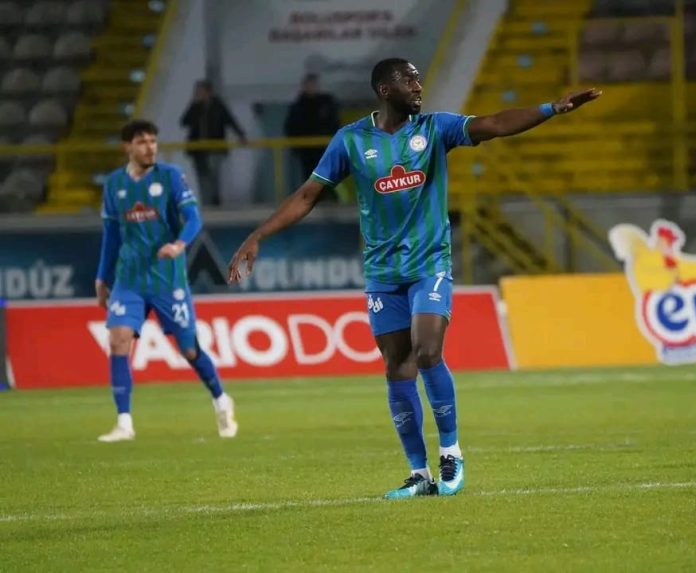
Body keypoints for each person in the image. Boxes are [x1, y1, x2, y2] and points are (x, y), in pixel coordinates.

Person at [227, 57, 600, 498]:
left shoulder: (435, 129)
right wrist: (257, 235)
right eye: (410, 80)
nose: (419, 86)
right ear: (386, 90)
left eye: (419, 78)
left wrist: (549, 110)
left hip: (429, 264)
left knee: (427, 351)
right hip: (383, 274)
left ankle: (452, 452)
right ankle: (419, 475)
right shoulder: (350, 141)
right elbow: (308, 195)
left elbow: (495, 123)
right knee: (396, 365)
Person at [95, 119, 238, 442]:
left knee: (189, 350)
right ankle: (124, 422)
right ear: (127, 147)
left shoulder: (170, 177)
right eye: (142, 142)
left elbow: (194, 218)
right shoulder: (114, 184)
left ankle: (220, 398)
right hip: (128, 279)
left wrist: (178, 245)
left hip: (167, 280)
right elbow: (111, 235)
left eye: (153, 141)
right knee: (118, 340)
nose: (150, 147)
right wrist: (102, 278)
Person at [180, 80, 247, 207]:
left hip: (215, 147)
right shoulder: (195, 107)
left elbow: (230, 120)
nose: (198, 94)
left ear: (208, 92)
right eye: (197, 92)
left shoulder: (218, 106)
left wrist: (241, 135)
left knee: (213, 175)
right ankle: (207, 203)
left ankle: (215, 201)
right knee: (202, 177)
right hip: (198, 150)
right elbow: (184, 122)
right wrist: (194, 106)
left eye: (201, 92)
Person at [284, 73, 341, 201]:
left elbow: (334, 123)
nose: (311, 88)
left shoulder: (326, 103)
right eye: (309, 85)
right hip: (306, 150)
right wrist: (295, 147)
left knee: (327, 176)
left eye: (313, 85)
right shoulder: (299, 105)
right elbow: (291, 127)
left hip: (324, 147)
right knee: (310, 175)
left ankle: (330, 198)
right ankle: (313, 199)